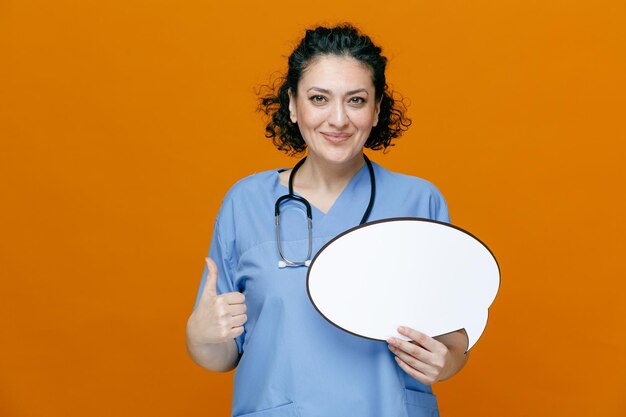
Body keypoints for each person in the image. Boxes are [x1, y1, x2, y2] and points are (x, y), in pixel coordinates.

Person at [186, 24, 469, 417]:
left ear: (376, 109)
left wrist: (448, 360)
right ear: (292, 104)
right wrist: (199, 337)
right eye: (319, 98)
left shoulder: (419, 201)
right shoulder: (246, 203)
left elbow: (452, 336)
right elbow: (221, 354)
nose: (338, 119)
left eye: (356, 100)